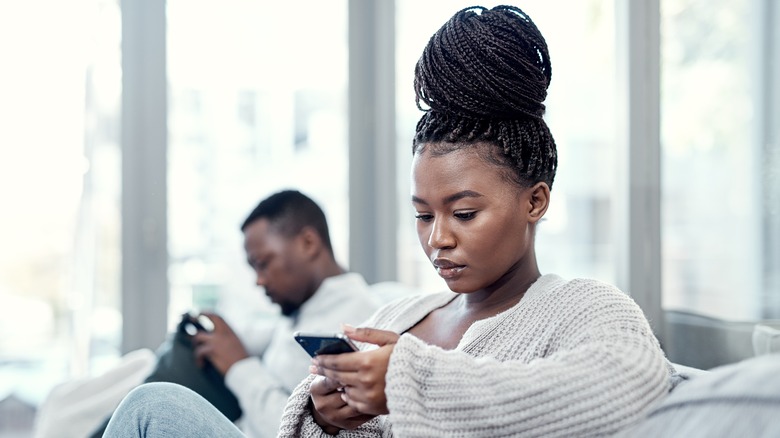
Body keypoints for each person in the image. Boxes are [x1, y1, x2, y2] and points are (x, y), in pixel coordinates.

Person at [101, 5, 673, 437]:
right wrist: (326, 418)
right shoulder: (400, 316)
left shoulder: (580, 307)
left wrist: (407, 382)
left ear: (536, 202)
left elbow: (629, 387)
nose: (437, 239)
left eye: (464, 213)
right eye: (423, 216)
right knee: (154, 406)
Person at [99, 189, 381, 438]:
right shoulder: (307, 309)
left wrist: (237, 365)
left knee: (148, 407)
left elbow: (298, 430)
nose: (259, 280)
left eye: (263, 263)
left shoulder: (355, 319)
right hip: (241, 423)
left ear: (308, 243)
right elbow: (270, 338)